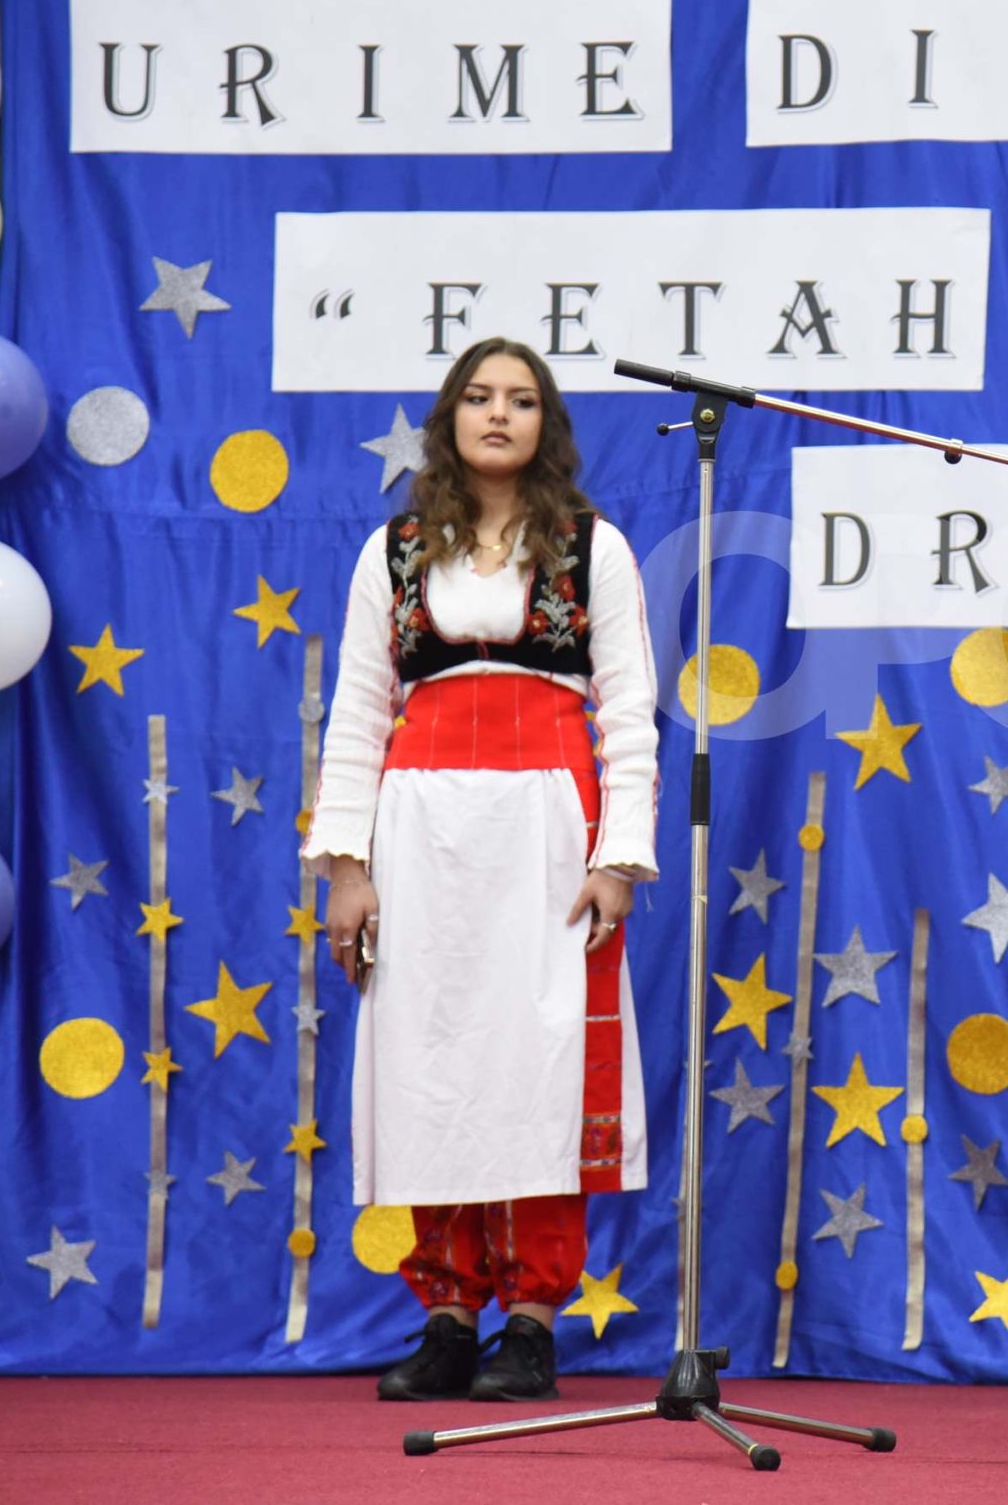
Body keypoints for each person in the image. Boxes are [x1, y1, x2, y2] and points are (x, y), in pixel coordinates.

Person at [306, 337, 661, 1403]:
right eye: (478, 396)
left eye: (520, 399)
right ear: (449, 419)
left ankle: (533, 1322)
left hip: (548, 833)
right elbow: (357, 710)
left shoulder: (593, 548)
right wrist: (347, 866)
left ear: (547, 423)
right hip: (419, 834)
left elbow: (630, 711)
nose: (498, 413)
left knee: (541, 1065)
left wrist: (618, 857)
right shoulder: (396, 550)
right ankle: (449, 1315)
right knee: (431, 1059)